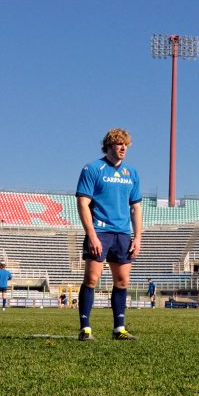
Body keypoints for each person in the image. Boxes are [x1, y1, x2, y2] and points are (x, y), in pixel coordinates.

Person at [75, 128, 143, 341]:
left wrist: (138, 237)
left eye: (126, 144)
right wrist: (92, 235)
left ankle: (119, 329)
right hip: (100, 231)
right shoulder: (93, 169)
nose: (123, 148)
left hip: (122, 234)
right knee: (91, 278)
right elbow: (83, 203)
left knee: (122, 281)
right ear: (108, 146)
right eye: (119, 144)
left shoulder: (131, 173)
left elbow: (136, 207)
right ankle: (85, 328)